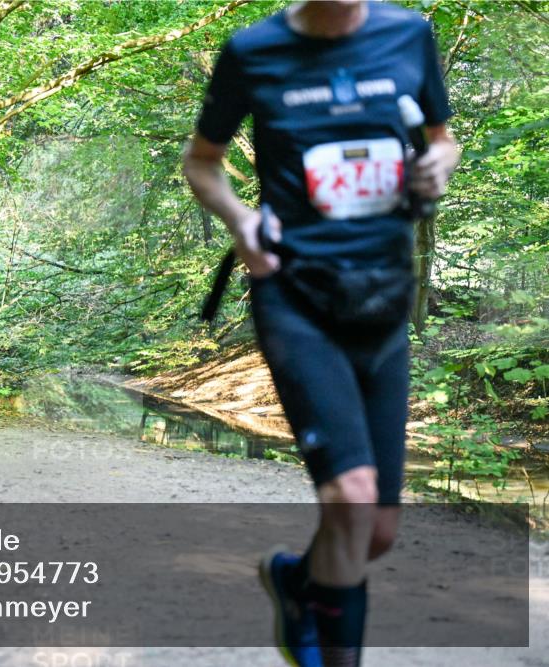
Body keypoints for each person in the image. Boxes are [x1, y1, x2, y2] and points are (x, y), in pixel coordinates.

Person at [182, 2, 460, 665]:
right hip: (294, 296)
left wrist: (440, 164)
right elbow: (202, 163)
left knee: (378, 530)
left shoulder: (409, 35)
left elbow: (444, 139)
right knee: (353, 499)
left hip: (384, 296)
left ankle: (297, 580)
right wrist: (240, 222)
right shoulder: (253, 50)